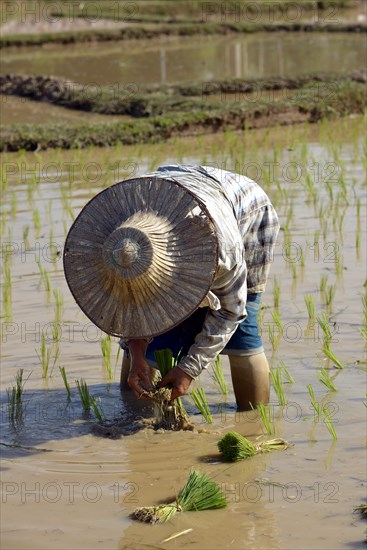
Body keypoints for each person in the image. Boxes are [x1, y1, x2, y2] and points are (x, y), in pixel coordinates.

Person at [117, 165, 280, 411]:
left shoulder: (218, 246)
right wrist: (137, 355)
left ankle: (254, 420)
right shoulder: (117, 247)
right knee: (145, 327)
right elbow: (127, 307)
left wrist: (189, 369)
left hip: (246, 209)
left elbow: (230, 310)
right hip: (172, 190)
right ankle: (134, 410)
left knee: (244, 330)